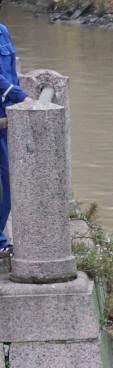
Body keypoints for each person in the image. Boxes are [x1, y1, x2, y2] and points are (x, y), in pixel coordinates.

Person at [0, 11, 26, 250]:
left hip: (8, 118)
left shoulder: (3, 31)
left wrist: (19, 103)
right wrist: (21, 97)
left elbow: (12, 76)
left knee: (10, 181)